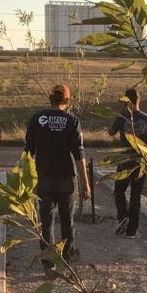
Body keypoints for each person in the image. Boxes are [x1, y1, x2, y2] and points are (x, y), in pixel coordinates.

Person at [25, 83, 90, 265]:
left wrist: (26, 180)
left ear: (50, 99)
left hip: (43, 177)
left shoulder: (37, 119)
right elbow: (79, 154)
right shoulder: (72, 121)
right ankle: (67, 258)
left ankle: (48, 261)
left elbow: (28, 152)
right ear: (67, 100)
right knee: (67, 221)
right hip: (66, 178)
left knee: (46, 222)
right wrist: (85, 182)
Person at [108, 88, 147, 238]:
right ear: (139, 100)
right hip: (140, 161)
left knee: (119, 191)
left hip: (124, 160)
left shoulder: (121, 117)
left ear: (125, 101)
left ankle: (123, 217)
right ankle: (132, 231)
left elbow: (111, 132)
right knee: (135, 195)